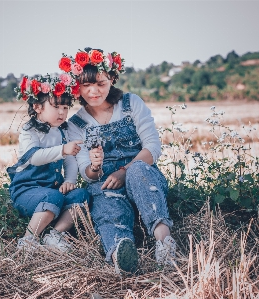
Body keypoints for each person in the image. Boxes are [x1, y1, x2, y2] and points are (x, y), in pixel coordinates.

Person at [60, 48, 177, 274]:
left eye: (100, 84)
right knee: (106, 204)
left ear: (112, 79)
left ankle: (165, 243)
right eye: (86, 86)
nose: (93, 91)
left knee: (138, 172)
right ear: (77, 86)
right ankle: (120, 255)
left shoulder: (130, 103)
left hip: (140, 174)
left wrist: (124, 170)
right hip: (105, 183)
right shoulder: (75, 124)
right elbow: (86, 172)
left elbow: (152, 147)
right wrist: (95, 166)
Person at [7, 74, 90, 252]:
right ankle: (29, 239)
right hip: (26, 191)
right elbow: (34, 157)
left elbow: (70, 160)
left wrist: (70, 180)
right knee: (53, 197)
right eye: (56, 106)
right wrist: (62, 149)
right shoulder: (30, 131)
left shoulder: (62, 131)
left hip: (52, 190)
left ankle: (54, 235)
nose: (62, 112)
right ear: (37, 107)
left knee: (81, 195)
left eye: (66, 107)